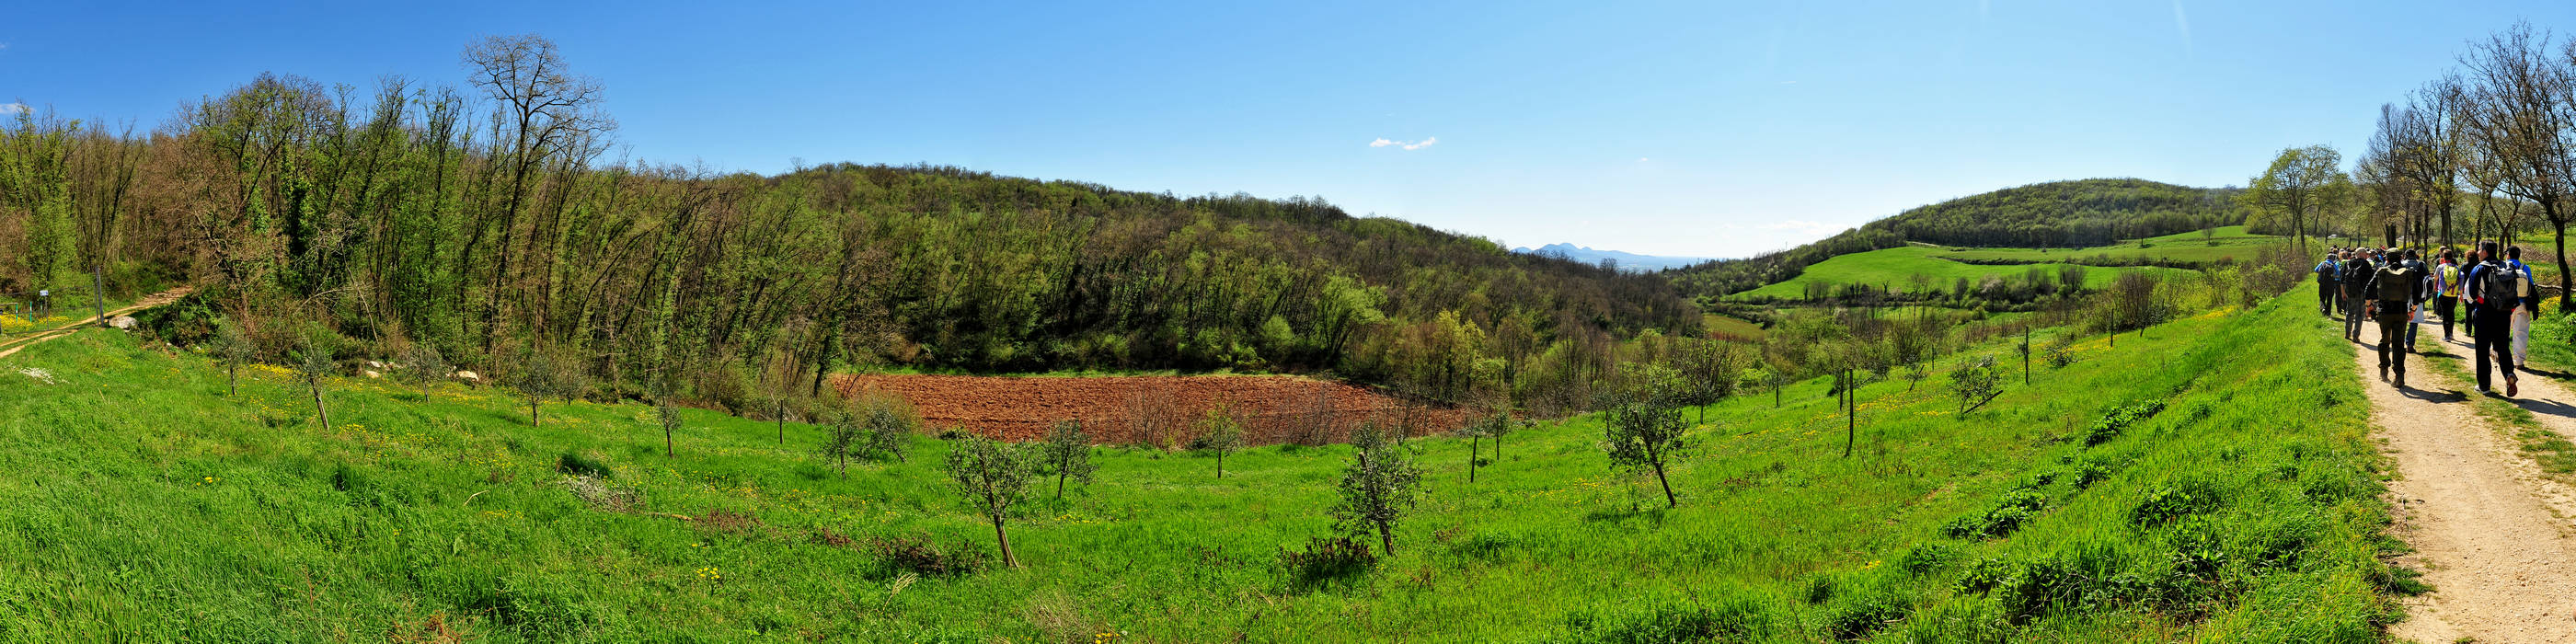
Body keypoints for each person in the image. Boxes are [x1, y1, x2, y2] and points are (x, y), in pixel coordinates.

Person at [2467, 241, 2521, 397]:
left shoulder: (2479, 268)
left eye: (2479, 249)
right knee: (2502, 347)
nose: (2478, 252)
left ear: (2485, 251)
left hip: (2484, 314)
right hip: (2503, 314)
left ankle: (2484, 386)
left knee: (2482, 350)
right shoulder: (2506, 267)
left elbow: (2471, 294)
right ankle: (2509, 373)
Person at [2368, 248, 2421, 387]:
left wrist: (2369, 305)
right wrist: (2413, 310)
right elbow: (2417, 293)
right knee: (2398, 344)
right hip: (2401, 311)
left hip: (2384, 311)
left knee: (2384, 341)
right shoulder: (2408, 273)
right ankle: (2399, 376)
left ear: (2387, 259)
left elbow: (2368, 289)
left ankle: (2384, 370)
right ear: (2401, 257)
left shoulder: (2381, 272)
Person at [2509, 246, 2536, 369]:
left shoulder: (2503, 266)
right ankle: (2519, 362)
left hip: (2506, 304)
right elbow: (2531, 285)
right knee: (2521, 333)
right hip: (2523, 303)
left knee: (2501, 331)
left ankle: (2496, 354)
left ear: (2508, 255)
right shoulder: (2526, 268)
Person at [2343, 249, 2375, 342]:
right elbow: (2371, 280)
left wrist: (2343, 292)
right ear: (2362, 254)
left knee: (2349, 312)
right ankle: (2355, 336)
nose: (2367, 256)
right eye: (2366, 254)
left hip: (2350, 291)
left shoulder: (2348, 263)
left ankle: (2347, 333)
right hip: (2361, 292)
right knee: (2360, 314)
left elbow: (2342, 279)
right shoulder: (2366, 264)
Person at [2402, 248, 2429, 351]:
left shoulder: (2401, 264)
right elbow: (2427, 280)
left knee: (2401, 320)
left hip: (2402, 296)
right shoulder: (2421, 264)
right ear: (2415, 256)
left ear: (2405, 256)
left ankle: (2399, 342)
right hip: (2418, 296)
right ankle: (2410, 344)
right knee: (2414, 321)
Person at [2434, 249, 2463, 341]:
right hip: (2454, 294)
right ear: (2452, 257)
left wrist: (2435, 286)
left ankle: (2446, 336)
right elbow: (2460, 280)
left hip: (2443, 293)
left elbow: (2436, 278)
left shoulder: (2440, 267)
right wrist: (2460, 294)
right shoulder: (2456, 267)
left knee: (2445, 314)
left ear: (2443, 257)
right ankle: (2451, 333)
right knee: (2451, 313)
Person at [2314, 251, 2342, 317]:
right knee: (2329, 298)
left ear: (2327, 258)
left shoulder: (2322, 263)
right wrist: (2333, 276)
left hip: (2322, 283)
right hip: (2331, 284)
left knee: (2322, 297)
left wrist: (2321, 274)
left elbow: (2315, 270)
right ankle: (2328, 313)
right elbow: (2338, 274)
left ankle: (2323, 308)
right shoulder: (2334, 265)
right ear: (2333, 259)